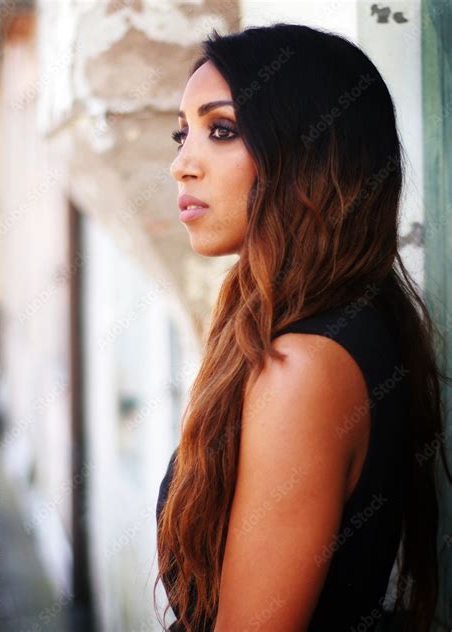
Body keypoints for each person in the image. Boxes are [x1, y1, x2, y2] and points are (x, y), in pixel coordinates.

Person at [153, 23, 451, 632]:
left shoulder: (303, 365)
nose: (182, 165)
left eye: (223, 130)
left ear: (308, 150)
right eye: (183, 135)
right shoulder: (345, 318)